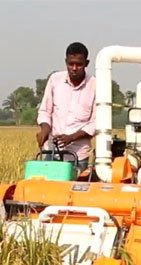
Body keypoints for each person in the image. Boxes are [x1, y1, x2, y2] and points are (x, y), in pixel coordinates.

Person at [35, 42, 96, 174]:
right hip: (52, 151)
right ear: (65, 62)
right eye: (70, 64)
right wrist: (45, 128)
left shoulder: (95, 85)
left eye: (79, 64)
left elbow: (96, 122)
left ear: (86, 63)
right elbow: (45, 110)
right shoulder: (55, 80)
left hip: (78, 155)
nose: (74, 68)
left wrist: (72, 137)